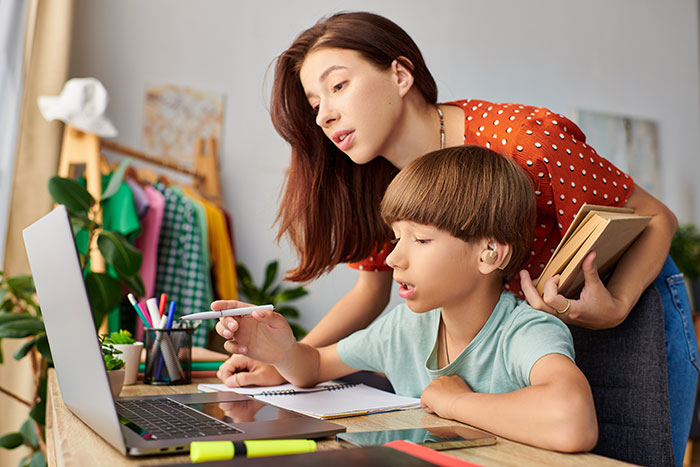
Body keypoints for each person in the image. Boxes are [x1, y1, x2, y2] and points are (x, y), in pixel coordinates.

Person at [217, 11, 697, 464]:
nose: (323, 117)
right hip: (517, 326)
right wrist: (283, 362)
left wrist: (615, 303)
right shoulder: (381, 183)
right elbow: (369, 292)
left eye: (338, 85)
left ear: (400, 75)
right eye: (315, 104)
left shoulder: (523, 142)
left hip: (625, 298)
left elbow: (656, 218)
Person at [215, 146, 598, 452]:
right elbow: (313, 367)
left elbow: (573, 422)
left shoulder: (525, 331)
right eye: (397, 237)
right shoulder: (405, 328)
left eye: (421, 240)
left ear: (489, 254)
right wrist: (281, 350)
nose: (395, 258)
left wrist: (454, 403)